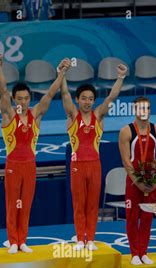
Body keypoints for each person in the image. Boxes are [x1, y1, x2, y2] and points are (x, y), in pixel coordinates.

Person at [0, 55, 70, 254]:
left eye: (26, 98)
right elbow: (3, 90)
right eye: (19, 98)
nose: (23, 101)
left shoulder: (35, 113)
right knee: (13, 204)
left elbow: (51, 93)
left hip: (30, 165)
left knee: (26, 203)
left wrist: (61, 73)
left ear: (30, 99)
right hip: (12, 165)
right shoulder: (8, 115)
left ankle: (22, 240)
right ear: (14, 99)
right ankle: (13, 241)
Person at [61, 63, 128, 251]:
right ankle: (80, 239)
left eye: (90, 99)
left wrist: (121, 77)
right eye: (83, 99)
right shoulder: (73, 115)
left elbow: (112, 97)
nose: (87, 102)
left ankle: (90, 238)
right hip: (76, 165)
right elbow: (65, 95)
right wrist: (62, 74)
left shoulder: (98, 115)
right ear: (78, 99)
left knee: (92, 204)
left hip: (94, 165)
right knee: (79, 204)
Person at [118, 96, 156, 265]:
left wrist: (155, 179)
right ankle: (134, 253)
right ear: (135, 110)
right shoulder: (126, 131)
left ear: (150, 110)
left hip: (151, 180)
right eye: (140, 108)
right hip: (133, 181)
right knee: (132, 217)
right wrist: (137, 181)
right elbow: (126, 160)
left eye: (146, 108)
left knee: (147, 217)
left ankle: (144, 252)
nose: (143, 112)